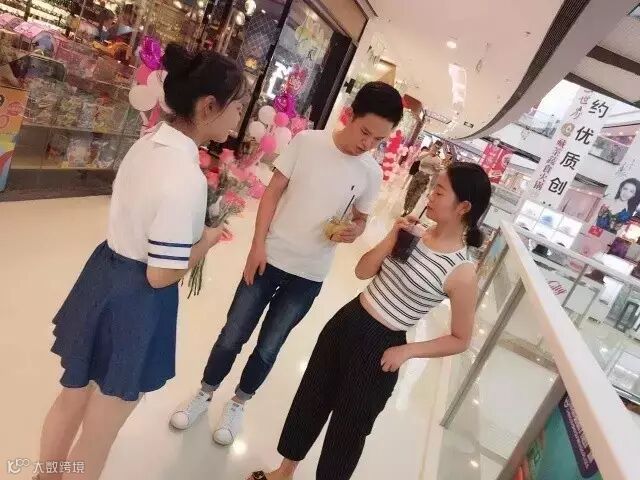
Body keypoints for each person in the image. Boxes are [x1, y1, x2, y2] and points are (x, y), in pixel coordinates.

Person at [36, 44, 245, 480]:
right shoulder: (185, 176)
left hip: (102, 275)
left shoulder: (147, 143)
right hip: (135, 302)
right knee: (101, 430)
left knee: (72, 397)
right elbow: (161, 273)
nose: (240, 116)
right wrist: (207, 241)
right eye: (237, 106)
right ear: (209, 107)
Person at [170, 81, 404, 446]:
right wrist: (256, 247)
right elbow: (272, 192)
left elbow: (360, 220)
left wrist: (353, 231)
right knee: (233, 335)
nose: (367, 144)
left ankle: (239, 403)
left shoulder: (371, 173)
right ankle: (205, 391)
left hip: (309, 275)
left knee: (269, 347)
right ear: (350, 115)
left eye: (378, 140)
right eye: (365, 132)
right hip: (270, 257)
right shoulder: (308, 143)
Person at [250, 162, 491, 480]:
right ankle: (284, 471)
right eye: (433, 188)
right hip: (349, 320)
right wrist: (392, 237)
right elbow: (362, 271)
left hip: (384, 347)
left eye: (439, 192)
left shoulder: (462, 272)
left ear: (463, 207)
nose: (430, 196)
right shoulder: (413, 234)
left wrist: (407, 351)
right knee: (311, 398)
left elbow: (461, 338)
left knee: (348, 431)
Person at [403, 139, 443, 216]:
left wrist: (436, 169)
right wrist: (429, 153)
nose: (436, 148)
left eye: (438, 148)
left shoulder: (438, 160)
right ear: (432, 145)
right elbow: (418, 159)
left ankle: (408, 210)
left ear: (439, 149)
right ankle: (405, 208)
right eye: (435, 146)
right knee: (410, 192)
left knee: (417, 195)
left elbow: (436, 171)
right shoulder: (424, 153)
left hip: (426, 178)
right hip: (418, 175)